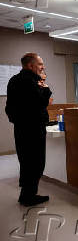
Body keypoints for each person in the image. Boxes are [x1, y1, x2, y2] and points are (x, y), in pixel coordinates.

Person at [5, 53, 52, 206]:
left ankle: (26, 195)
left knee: (26, 162)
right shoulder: (33, 81)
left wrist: (18, 120)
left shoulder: (14, 80)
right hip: (34, 129)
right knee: (37, 163)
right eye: (40, 64)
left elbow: (9, 108)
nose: (42, 67)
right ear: (30, 66)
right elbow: (42, 102)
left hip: (20, 128)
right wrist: (46, 89)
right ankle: (29, 196)